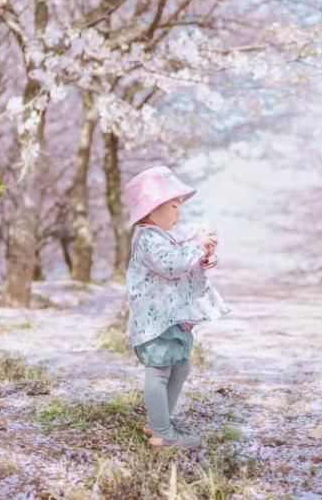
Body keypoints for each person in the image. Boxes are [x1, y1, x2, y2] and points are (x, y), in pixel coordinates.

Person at [124, 165, 231, 448]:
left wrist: (203, 248)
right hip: (156, 322)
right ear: (152, 208)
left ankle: (159, 421)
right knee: (158, 371)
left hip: (172, 319)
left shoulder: (164, 237)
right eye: (173, 206)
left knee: (180, 368)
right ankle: (162, 432)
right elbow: (172, 265)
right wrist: (194, 245)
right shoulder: (147, 237)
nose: (178, 213)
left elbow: (183, 261)